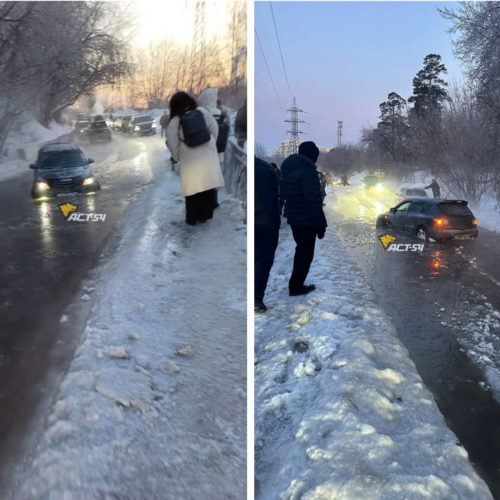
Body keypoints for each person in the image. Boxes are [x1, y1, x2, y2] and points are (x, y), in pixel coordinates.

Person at [166, 91, 224, 225]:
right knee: (207, 186)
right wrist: (210, 146)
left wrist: (177, 156)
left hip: (189, 159)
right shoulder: (202, 111)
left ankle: (192, 218)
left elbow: (172, 142)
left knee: (192, 189)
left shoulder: (175, 120)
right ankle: (205, 215)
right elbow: (214, 129)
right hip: (208, 155)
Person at [281, 141, 327, 296]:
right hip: (306, 220)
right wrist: (321, 224)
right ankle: (296, 287)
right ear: (311, 155)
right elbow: (313, 200)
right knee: (305, 255)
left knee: (301, 251)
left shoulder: (290, 169)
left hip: (295, 217)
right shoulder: (307, 172)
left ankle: (296, 284)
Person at [255, 156, 281, 312]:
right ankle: (256, 297)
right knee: (263, 260)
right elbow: (277, 196)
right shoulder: (266, 169)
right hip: (266, 220)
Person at [198, 88, 230, 208]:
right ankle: (214, 201)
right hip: (219, 151)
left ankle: (204, 202)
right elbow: (227, 131)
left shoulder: (202, 113)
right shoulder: (222, 114)